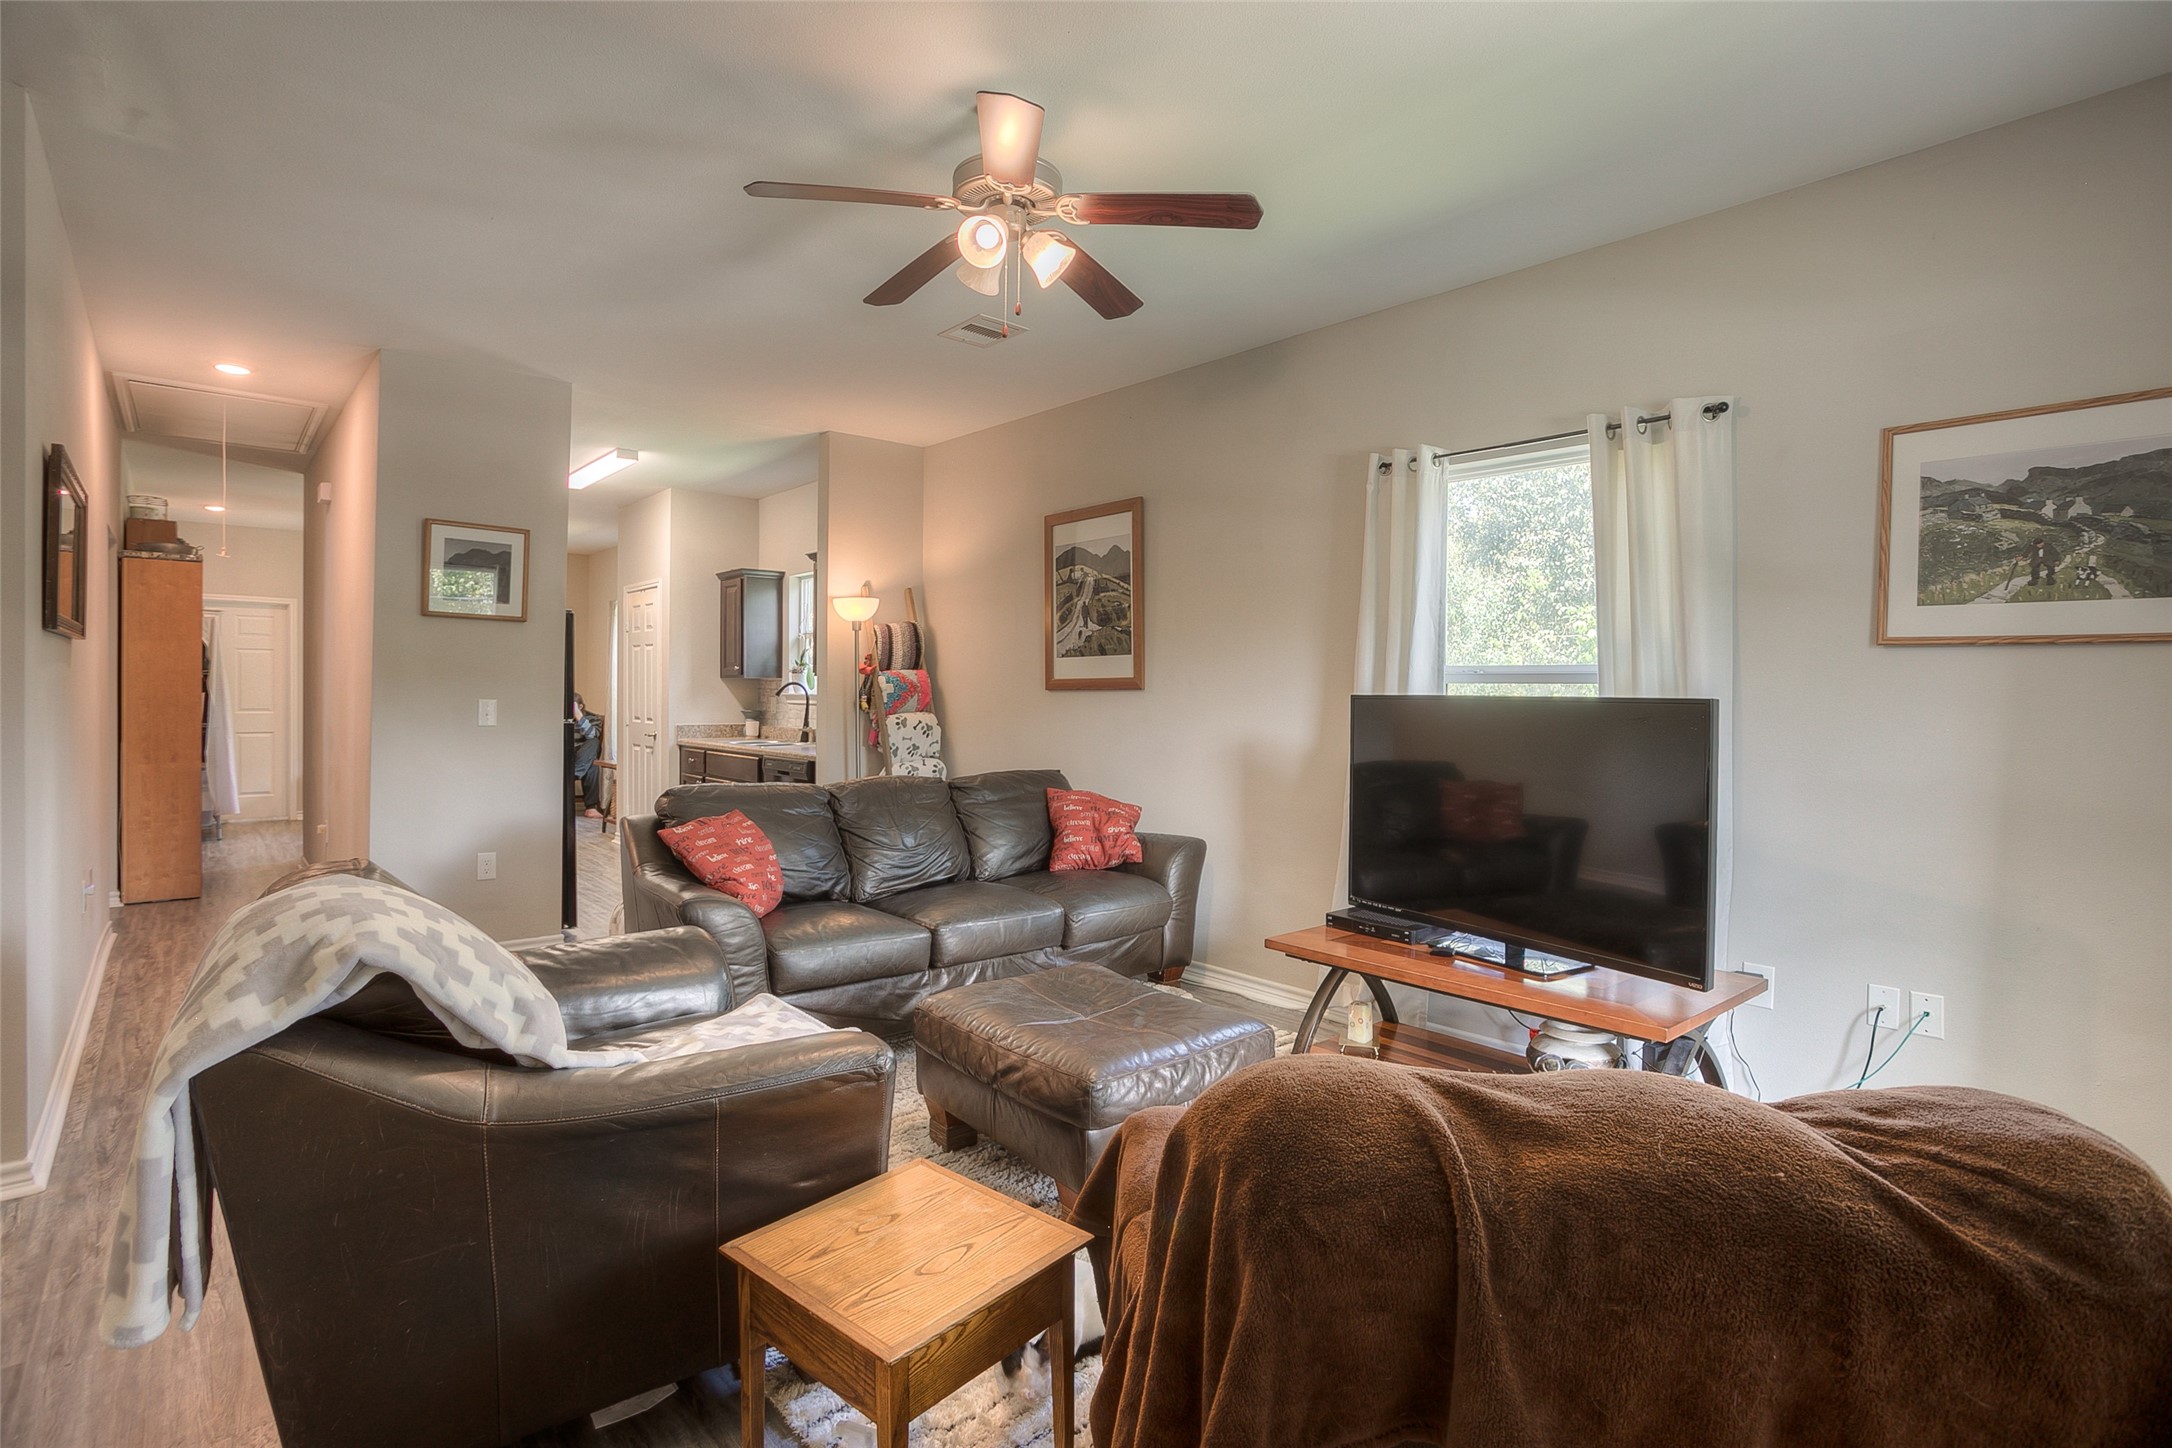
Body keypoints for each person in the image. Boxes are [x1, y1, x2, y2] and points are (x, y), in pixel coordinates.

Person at [571, 693, 604, 818]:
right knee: (591, 766)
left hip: (582, 756)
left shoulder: (593, 718)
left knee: (593, 742)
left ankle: (573, 775)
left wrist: (579, 717)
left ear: (581, 706)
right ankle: (591, 807)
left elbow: (592, 735)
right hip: (564, 757)